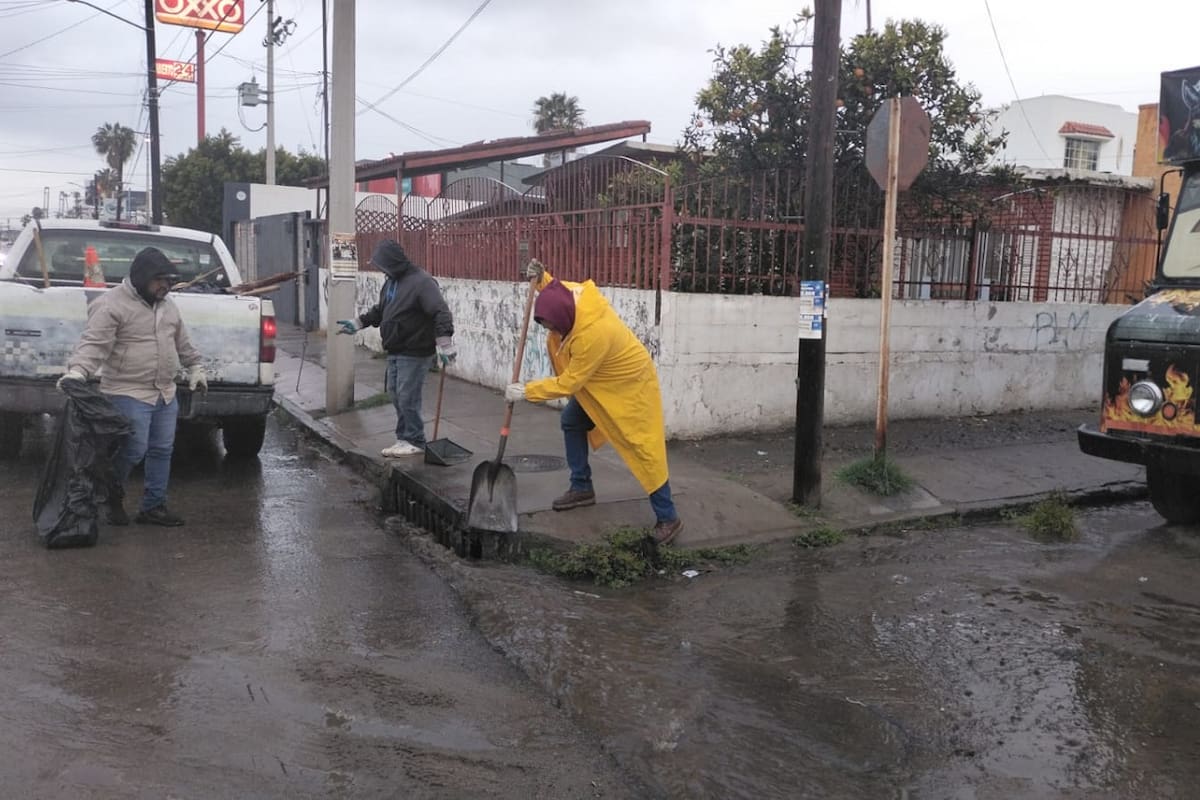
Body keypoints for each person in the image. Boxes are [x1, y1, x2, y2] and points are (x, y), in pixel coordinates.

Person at [504, 262, 683, 546]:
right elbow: (559, 292)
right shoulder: (576, 300)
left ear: (564, 319)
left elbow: (569, 384)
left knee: (644, 450)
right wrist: (542, 278)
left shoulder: (592, 335)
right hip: (599, 382)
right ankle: (582, 487)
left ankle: (668, 517)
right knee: (571, 421)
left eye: (552, 326)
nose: (551, 331)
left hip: (630, 387)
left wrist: (527, 391)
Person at [57, 246, 207, 527]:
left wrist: (195, 366)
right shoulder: (111, 305)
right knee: (134, 449)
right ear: (142, 277)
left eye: (169, 280)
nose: (165, 286)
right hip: (127, 391)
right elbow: (94, 343)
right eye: (159, 280)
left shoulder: (167, 306)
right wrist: (78, 371)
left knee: (162, 450)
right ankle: (109, 495)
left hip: (164, 392)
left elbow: (182, 340)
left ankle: (154, 507)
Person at [337, 239, 456, 457]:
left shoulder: (422, 282)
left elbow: (440, 311)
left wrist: (445, 343)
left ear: (391, 262)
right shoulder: (391, 283)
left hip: (415, 349)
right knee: (396, 394)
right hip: (396, 348)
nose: (380, 270)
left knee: (407, 396)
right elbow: (380, 311)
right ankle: (404, 438)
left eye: (382, 265)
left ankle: (415, 440)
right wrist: (358, 323)